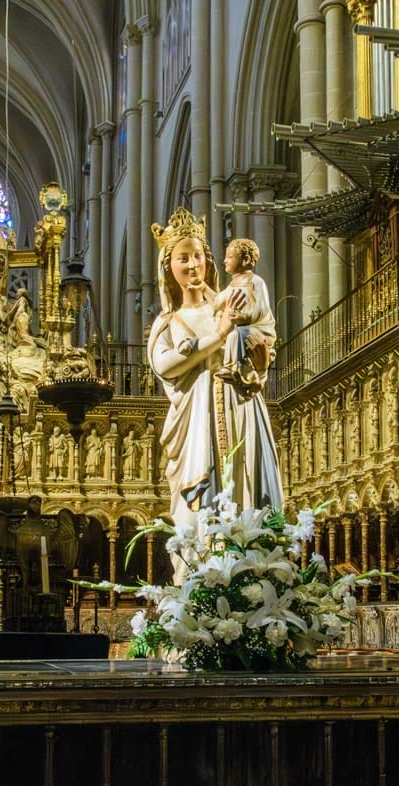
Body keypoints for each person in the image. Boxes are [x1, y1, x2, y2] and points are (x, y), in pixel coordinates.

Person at [147, 208, 283, 580]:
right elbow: (165, 364)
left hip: (242, 411)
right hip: (197, 428)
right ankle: (201, 584)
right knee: (199, 510)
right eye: (182, 257)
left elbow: (260, 343)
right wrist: (218, 335)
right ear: (168, 267)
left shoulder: (229, 304)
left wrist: (260, 364)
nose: (193, 265)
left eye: (198, 256)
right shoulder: (169, 321)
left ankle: (253, 579)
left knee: (246, 490)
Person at [212, 238, 275, 396]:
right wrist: (202, 290)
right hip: (241, 330)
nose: (224, 260)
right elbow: (218, 300)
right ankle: (233, 368)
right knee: (234, 335)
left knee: (235, 334)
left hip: (257, 330)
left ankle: (236, 368)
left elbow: (260, 308)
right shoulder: (233, 284)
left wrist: (243, 316)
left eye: (230, 257)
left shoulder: (255, 282)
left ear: (245, 259)